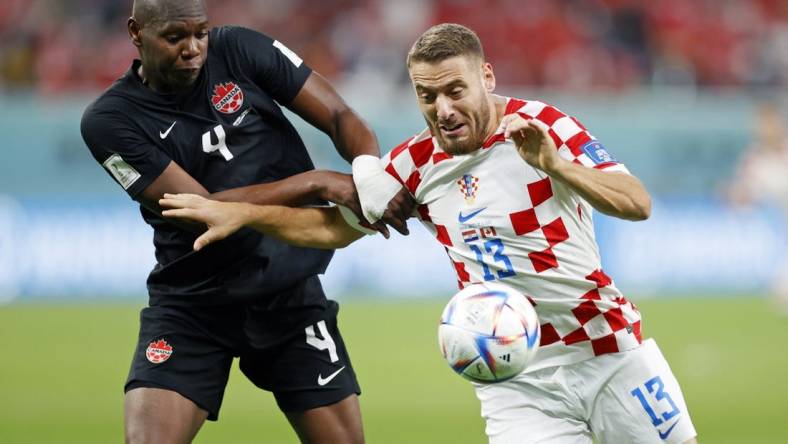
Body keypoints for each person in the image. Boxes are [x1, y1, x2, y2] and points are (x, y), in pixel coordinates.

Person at [160, 23, 700, 443]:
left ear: (486, 78)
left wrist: (556, 165)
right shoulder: (415, 164)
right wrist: (247, 215)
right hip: (518, 378)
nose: (442, 109)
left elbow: (637, 203)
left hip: (607, 348)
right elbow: (334, 228)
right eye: (427, 95)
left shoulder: (545, 128)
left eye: (455, 90)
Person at [80, 1, 413, 443]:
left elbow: (338, 115)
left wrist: (368, 174)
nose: (193, 49)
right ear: (136, 33)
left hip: (287, 294)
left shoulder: (238, 48)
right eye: (175, 37)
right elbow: (200, 210)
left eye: (200, 33)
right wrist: (316, 183)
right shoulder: (109, 121)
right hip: (193, 303)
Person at [728, 103, 788, 310]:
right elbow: (743, 195)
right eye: (761, 125)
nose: (765, 129)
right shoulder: (754, 160)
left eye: (769, 124)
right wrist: (735, 196)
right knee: (781, 296)